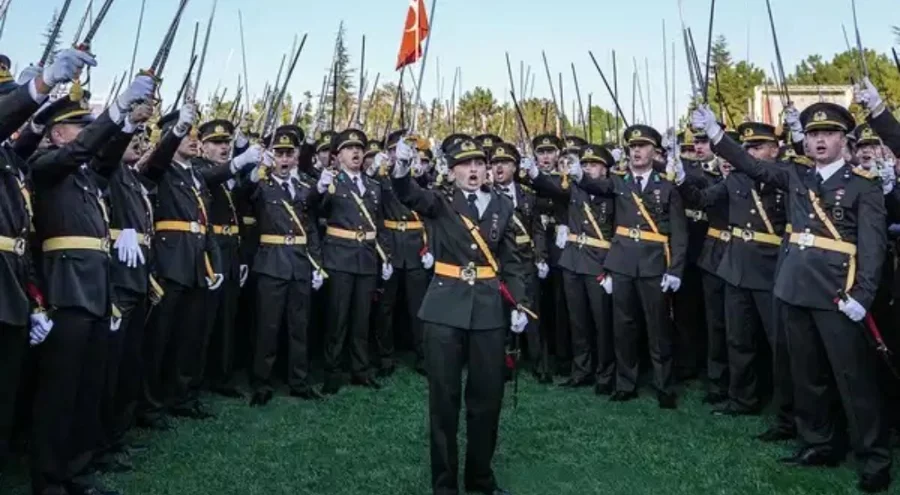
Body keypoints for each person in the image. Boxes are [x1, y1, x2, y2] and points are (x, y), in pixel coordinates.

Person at [692, 98, 892, 493]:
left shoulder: (862, 186)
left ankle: (874, 458)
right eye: (814, 134)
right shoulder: (797, 176)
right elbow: (753, 166)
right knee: (807, 375)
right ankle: (819, 443)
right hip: (794, 287)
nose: (820, 141)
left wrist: (863, 295)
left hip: (838, 294)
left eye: (829, 134)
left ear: (844, 141)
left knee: (854, 381)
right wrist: (716, 133)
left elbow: (874, 247)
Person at [29, 72, 154, 495]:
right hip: (65, 290)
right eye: (80, 128)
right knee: (59, 393)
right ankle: (48, 480)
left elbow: (105, 153)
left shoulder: (86, 177)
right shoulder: (45, 166)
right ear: (59, 133)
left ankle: (76, 470)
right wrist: (116, 110)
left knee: (86, 387)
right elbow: (85, 149)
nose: (86, 136)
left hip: (96, 289)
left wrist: (127, 124)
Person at [391, 135, 531, 495]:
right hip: (444, 309)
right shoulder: (439, 201)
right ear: (451, 172)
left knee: (487, 401)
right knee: (444, 400)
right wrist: (402, 166)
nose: (473, 170)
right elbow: (407, 193)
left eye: (479, 164)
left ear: (487, 170)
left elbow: (512, 260)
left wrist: (519, 302)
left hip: (488, 311)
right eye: (464, 165)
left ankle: (481, 480)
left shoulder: (502, 204)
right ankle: (444, 485)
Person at [542, 124, 688, 409]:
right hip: (621, 263)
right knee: (623, 326)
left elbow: (679, 234)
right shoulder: (619, 182)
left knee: (657, 328)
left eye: (643, 146)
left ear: (654, 152)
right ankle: (625, 382)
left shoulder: (666, 186)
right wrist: (579, 174)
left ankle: (664, 385)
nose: (636, 151)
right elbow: (594, 184)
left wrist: (675, 270)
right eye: (633, 147)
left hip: (653, 263)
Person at [675, 120, 796, 439]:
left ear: (775, 148)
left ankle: (788, 411)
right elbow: (701, 200)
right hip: (736, 267)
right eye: (748, 148)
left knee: (779, 345)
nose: (751, 153)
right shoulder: (736, 178)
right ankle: (742, 397)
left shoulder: (786, 175)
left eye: (758, 147)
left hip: (773, 269)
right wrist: (680, 175)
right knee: (737, 338)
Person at [0, 50, 87, 478]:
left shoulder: (12, 166)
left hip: (11, 292)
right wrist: (39, 87)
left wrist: (33, 300)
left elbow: (21, 239)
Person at [527, 143, 615, 394]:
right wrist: (534, 173)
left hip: (599, 260)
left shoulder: (612, 191)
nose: (587, 169)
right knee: (577, 321)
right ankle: (581, 370)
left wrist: (611, 266)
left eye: (593, 165)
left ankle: (605, 373)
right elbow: (552, 189)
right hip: (573, 260)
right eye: (584, 164)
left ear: (605, 170)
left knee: (602, 322)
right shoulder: (574, 189)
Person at [247, 127, 325, 405]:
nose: (283, 158)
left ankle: (299, 380)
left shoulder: (305, 187)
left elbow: (312, 227)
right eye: (279, 153)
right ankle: (262, 382)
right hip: (271, 262)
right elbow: (246, 192)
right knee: (268, 326)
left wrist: (318, 264)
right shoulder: (262, 184)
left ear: (295, 157)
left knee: (299, 326)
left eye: (288, 154)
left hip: (300, 262)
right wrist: (257, 169)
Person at [314, 128, 393, 394]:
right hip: (339, 256)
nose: (356, 152)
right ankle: (332, 372)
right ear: (337, 156)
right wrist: (321, 189)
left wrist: (386, 256)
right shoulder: (331, 181)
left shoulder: (373, 186)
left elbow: (378, 224)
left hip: (367, 258)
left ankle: (360, 370)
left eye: (359, 148)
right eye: (349, 148)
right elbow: (316, 211)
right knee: (337, 319)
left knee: (362, 318)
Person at [490, 142, 550, 383]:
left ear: (515, 167)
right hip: (498, 261)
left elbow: (538, 230)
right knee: (501, 315)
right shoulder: (486, 193)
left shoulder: (528, 195)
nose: (499, 167)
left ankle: (540, 364)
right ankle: (505, 364)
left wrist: (541, 257)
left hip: (526, 259)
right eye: (495, 163)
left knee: (532, 311)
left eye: (504, 163)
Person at [374, 129, 432, 376]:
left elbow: (432, 211)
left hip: (416, 245)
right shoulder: (381, 177)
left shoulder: (421, 177)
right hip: (390, 244)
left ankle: (423, 355)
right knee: (385, 306)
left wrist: (430, 246)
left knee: (418, 305)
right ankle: (385, 357)